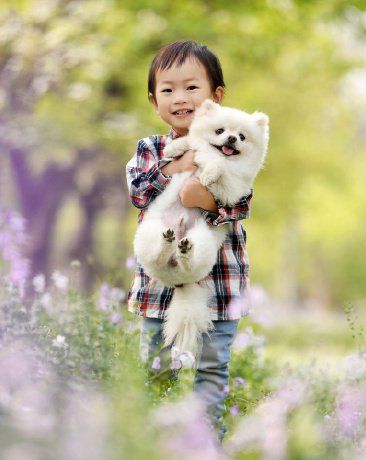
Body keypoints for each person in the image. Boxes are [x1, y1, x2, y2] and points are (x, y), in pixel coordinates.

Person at [125, 40, 253, 439]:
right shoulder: (151, 148)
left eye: (191, 87)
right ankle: (155, 440)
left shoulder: (236, 146)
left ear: (215, 97)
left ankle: (206, 439)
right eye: (168, 89)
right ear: (153, 100)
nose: (180, 98)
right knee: (158, 366)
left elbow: (241, 202)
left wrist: (207, 201)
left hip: (218, 282)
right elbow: (138, 192)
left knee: (212, 367)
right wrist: (177, 168)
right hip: (160, 281)